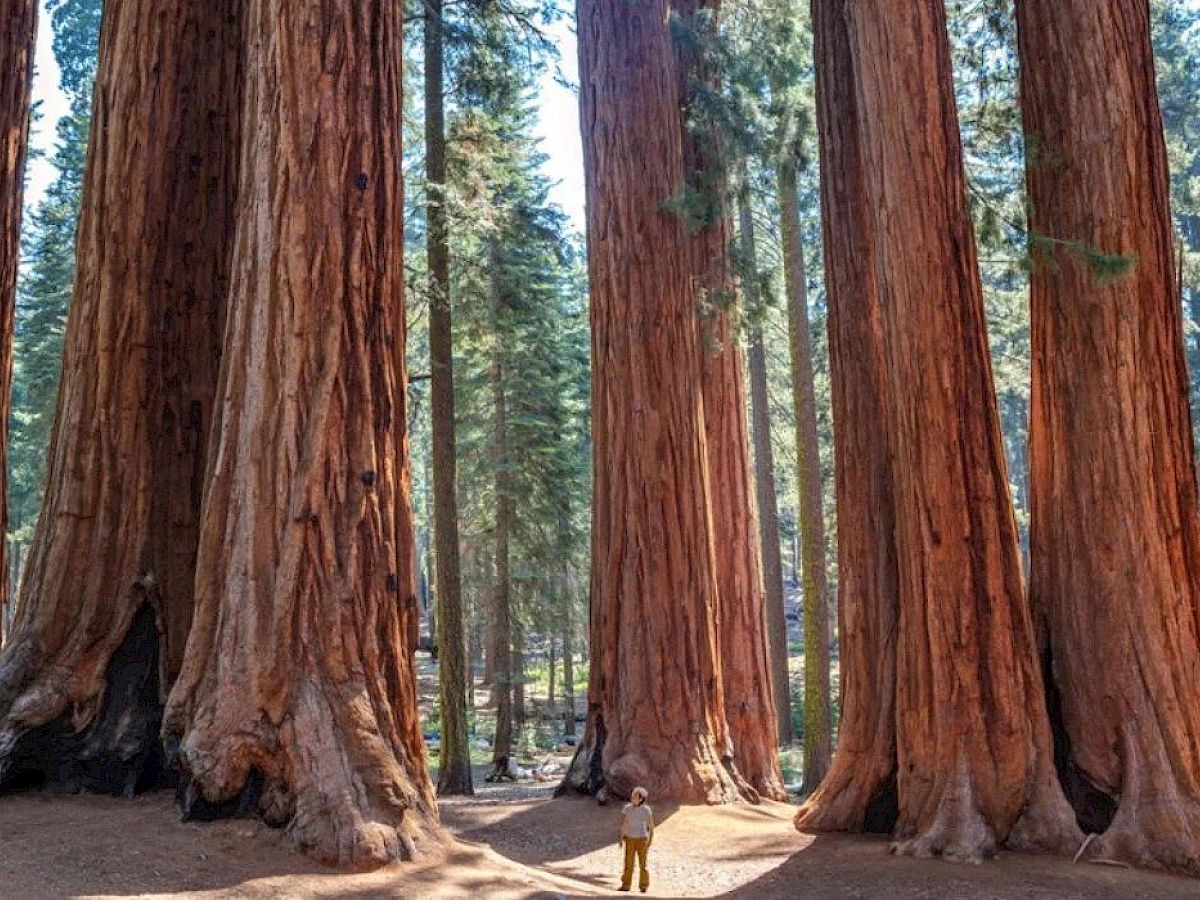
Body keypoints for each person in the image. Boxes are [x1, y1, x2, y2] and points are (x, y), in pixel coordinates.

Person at [618, 786, 654, 893]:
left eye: (635, 796)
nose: (632, 797)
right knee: (628, 863)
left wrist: (650, 839)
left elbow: (650, 825)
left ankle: (643, 885)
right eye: (632, 795)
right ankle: (626, 885)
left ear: (641, 799)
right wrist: (621, 838)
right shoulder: (627, 808)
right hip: (629, 838)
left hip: (642, 839)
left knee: (643, 863)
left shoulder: (646, 810)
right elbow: (624, 824)